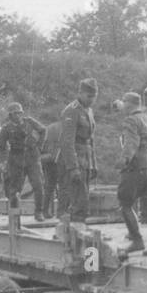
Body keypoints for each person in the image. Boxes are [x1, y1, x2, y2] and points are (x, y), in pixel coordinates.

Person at [117, 91, 147, 255]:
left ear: (130, 104)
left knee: (125, 204)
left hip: (138, 165)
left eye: (124, 102)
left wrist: (123, 161)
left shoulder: (131, 120)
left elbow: (131, 143)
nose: (122, 105)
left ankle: (137, 241)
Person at [0, 101, 48, 216]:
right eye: (15, 114)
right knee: (14, 189)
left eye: (20, 113)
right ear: (10, 116)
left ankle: (39, 211)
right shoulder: (6, 128)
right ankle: (14, 214)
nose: (18, 116)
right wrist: (1, 162)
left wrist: (39, 146)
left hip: (32, 157)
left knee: (38, 185)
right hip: (16, 159)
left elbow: (43, 130)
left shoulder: (29, 122)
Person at [56, 79, 99, 220]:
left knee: (83, 201)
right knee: (79, 202)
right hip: (73, 161)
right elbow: (67, 142)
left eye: (94, 96)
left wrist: (93, 164)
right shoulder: (71, 111)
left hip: (85, 160)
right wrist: (73, 167)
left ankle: (78, 231)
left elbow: (90, 140)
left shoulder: (89, 111)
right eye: (89, 96)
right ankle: (74, 233)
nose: (92, 99)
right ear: (80, 93)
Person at [40, 117, 62, 218]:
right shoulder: (66, 127)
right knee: (63, 186)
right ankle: (60, 212)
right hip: (59, 159)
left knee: (49, 187)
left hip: (47, 159)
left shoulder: (49, 128)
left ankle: (45, 211)